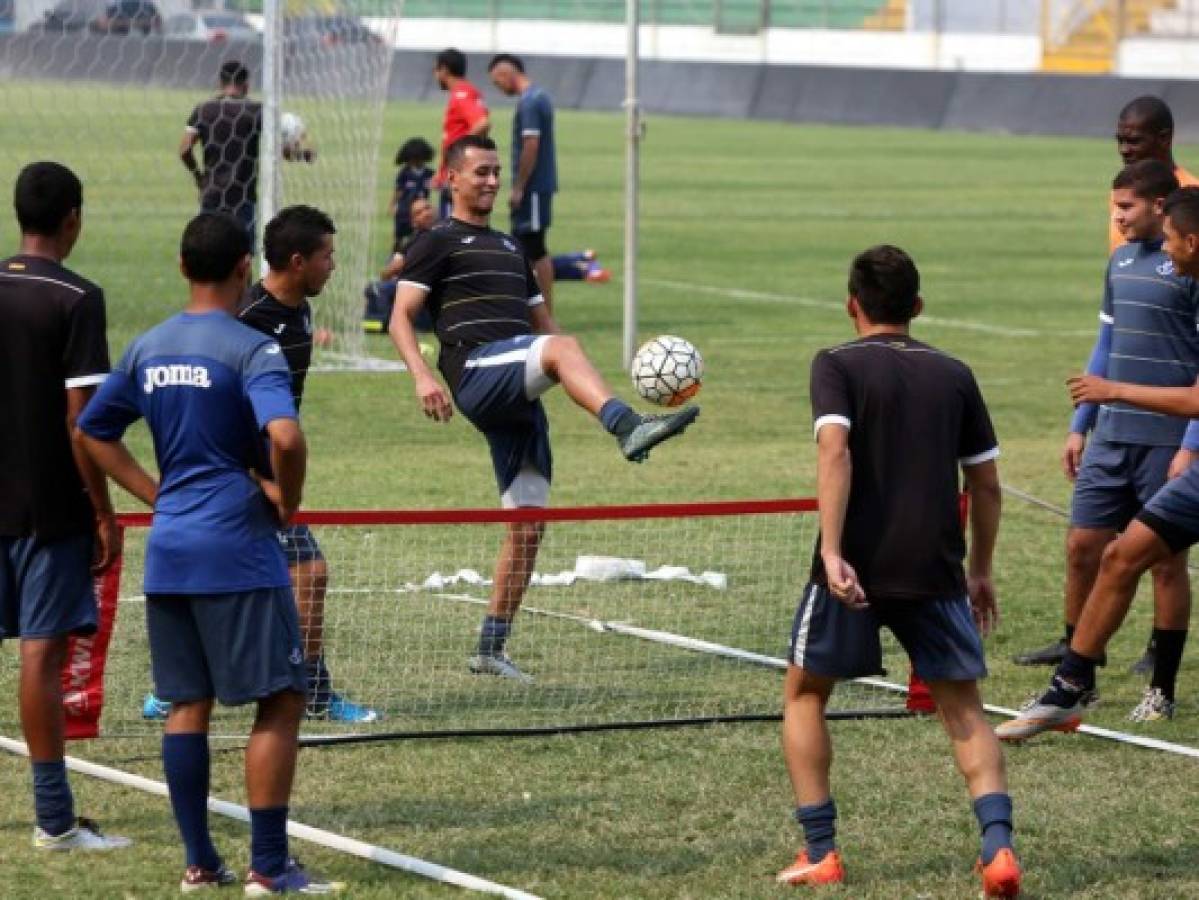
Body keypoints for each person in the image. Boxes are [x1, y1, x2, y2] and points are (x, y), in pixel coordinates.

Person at [77, 212, 342, 893]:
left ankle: (199, 862)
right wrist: (287, 499)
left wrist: (153, 493)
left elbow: (92, 430)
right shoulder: (252, 348)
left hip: (170, 551)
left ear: (180, 265)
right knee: (283, 697)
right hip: (236, 550)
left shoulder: (150, 345)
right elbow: (285, 435)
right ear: (239, 270)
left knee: (186, 702)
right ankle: (269, 864)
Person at [389, 135, 699, 683]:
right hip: (476, 371)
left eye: (495, 172)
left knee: (529, 525)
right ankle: (627, 427)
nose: (490, 181)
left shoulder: (511, 248)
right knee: (561, 351)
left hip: (518, 385)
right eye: (479, 171)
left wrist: (574, 364)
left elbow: (547, 331)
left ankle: (490, 646)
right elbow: (401, 316)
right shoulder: (434, 239)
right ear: (452, 179)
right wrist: (420, 376)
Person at [778, 245, 1018, 897]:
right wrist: (981, 568)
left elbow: (835, 449)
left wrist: (832, 552)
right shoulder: (954, 372)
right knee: (964, 710)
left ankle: (821, 851)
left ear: (850, 304)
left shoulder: (835, 363)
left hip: (853, 569)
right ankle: (996, 848)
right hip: (936, 566)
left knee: (804, 695)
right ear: (915, 306)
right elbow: (986, 483)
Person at [142, 205, 379, 725]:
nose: (333, 266)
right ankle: (183, 687)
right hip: (235, 472)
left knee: (271, 575)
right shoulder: (245, 318)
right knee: (306, 571)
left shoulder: (300, 310)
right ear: (297, 261)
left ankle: (179, 685)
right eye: (326, 256)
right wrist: (254, 475)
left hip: (263, 469)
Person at [1000, 186, 1199, 741]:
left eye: (1174, 246)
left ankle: (1155, 687)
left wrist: (1115, 389)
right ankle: (1068, 690)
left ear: (1191, 241)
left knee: (1154, 564)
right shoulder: (1141, 265)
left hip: (1173, 447)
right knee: (1118, 556)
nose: (1169, 256)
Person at [0, 161, 129, 852]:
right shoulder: (76, 298)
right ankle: (53, 820)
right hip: (48, 509)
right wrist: (103, 512)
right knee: (41, 657)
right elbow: (84, 422)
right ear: (72, 217)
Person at [488, 53, 559, 312]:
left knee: (534, 248)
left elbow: (531, 144)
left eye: (497, 82)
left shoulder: (529, 102)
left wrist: (519, 186)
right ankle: (531, 310)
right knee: (525, 247)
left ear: (506, 74)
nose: (499, 87)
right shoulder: (538, 97)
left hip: (534, 188)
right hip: (536, 187)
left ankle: (544, 315)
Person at [179, 61, 262, 245]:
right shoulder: (256, 111)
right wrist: (302, 153)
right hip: (243, 197)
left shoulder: (204, 110)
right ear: (246, 86)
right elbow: (283, 149)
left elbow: (184, 150)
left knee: (209, 255)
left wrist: (198, 177)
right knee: (242, 260)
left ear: (220, 83)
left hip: (212, 195)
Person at [1108, 96, 1199, 254]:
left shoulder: (1191, 194)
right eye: (1120, 141)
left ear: (1164, 138)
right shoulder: (1123, 191)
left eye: (1134, 141)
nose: (1124, 150)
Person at [433, 48, 489, 219]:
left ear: (444, 70)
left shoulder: (461, 95)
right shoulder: (468, 92)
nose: (435, 75)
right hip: (457, 174)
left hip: (457, 177)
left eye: (436, 70)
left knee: (452, 235)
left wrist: (459, 155)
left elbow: (482, 123)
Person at [390, 137, 435, 252]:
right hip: (404, 210)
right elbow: (398, 190)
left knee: (419, 235)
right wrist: (393, 205)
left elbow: (437, 184)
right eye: (413, 159)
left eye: (419, 158)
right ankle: (396, 251)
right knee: (400, 236)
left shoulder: (428, 173)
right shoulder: (405, 172)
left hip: (421, 210)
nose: (416, 161)